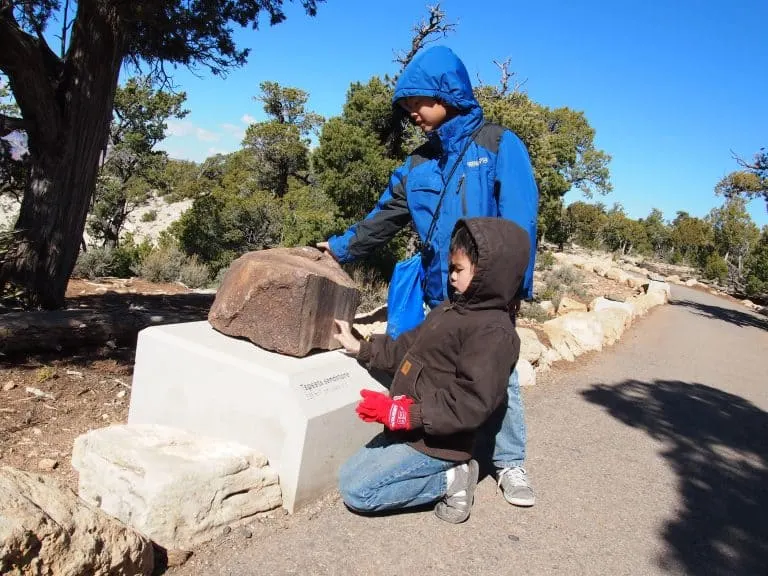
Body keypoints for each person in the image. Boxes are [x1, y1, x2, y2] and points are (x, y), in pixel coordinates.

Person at [318, 45, 538, 507]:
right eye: (406, 107)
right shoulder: (417, 164)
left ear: (446, 93)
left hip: (490, 294)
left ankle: (510, 461)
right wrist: (339, 248)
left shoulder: (497, 145)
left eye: (417, 102)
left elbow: (521, 225)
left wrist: (514, 290)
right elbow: (385, 216)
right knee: (440, 368)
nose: (412, 113)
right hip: (441, 290)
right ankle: (446, 451)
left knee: (502, 376)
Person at [334, 218, 530, 523]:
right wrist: (363, 347)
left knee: (359, 492)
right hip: (412, 431)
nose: (450, 276)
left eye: (458, 269)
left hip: (440, 444)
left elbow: (470, 403)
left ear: (489, 272)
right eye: (450, 268)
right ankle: (444, 475)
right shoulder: (451, 308)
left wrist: (407, 415)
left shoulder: (493, 333)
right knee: (347, 474)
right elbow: (407, 347)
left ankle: (452, 479)